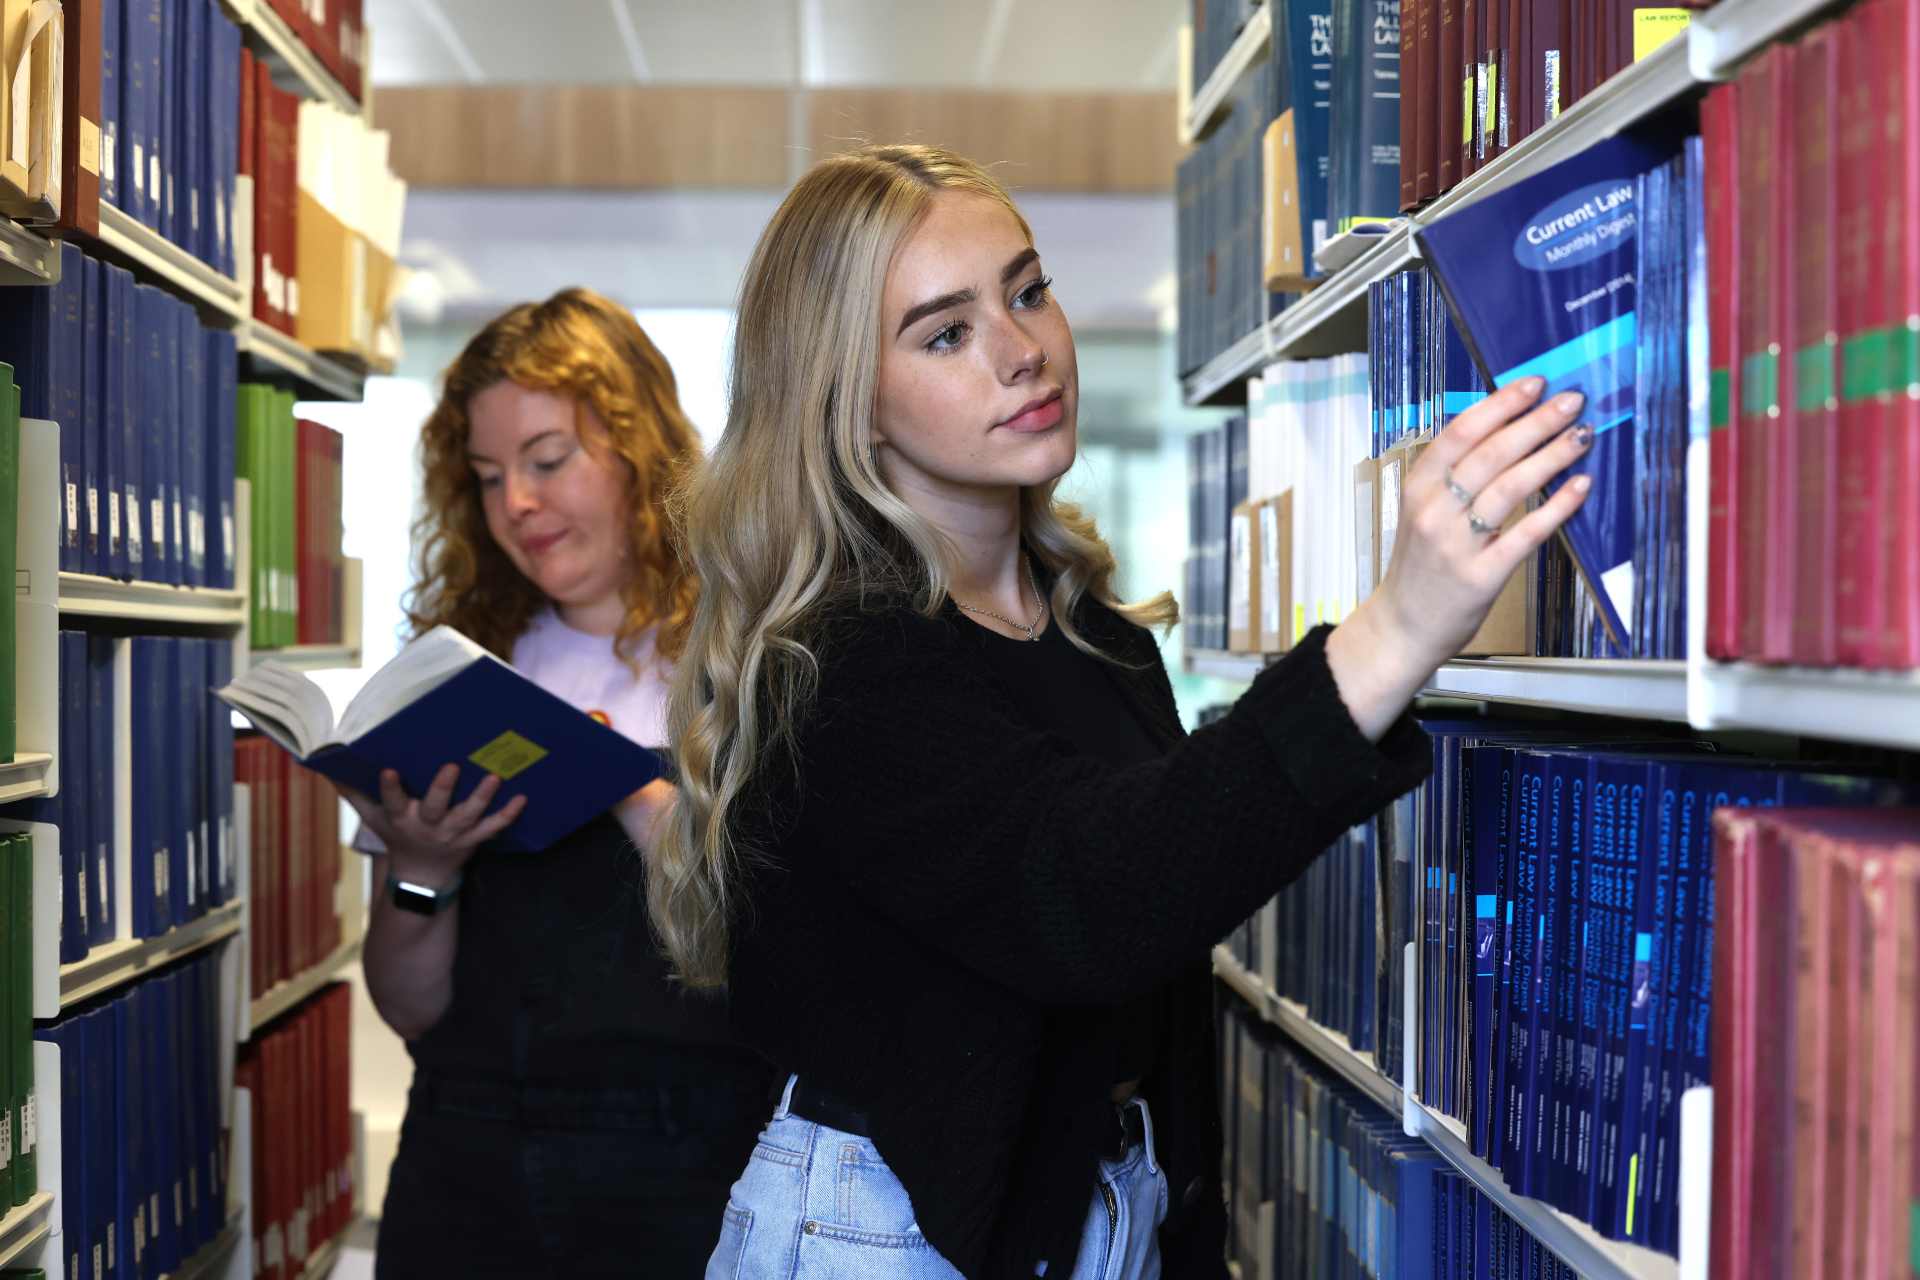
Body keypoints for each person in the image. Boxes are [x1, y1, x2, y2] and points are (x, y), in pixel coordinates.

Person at [650, 145, 1597, 1279]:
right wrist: (1393, 628)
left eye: (1027, 289)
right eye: (945, 334)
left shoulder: (1102, 642)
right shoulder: (839, 666)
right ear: (848, 404)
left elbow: (1158, 964)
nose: (1021, 350)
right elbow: (1090, 896)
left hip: (1100, 1209)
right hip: (886, 1231)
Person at [347, 288, 774, 1278]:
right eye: (489, 477)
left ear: (639, 448)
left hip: (688, 1162)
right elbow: (408, 1006)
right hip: (468, 1159)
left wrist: (632, 790)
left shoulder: (750, 657)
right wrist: (423, 867)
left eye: (548, 460)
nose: (517, 505)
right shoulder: (456, 672)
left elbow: (785, 957)